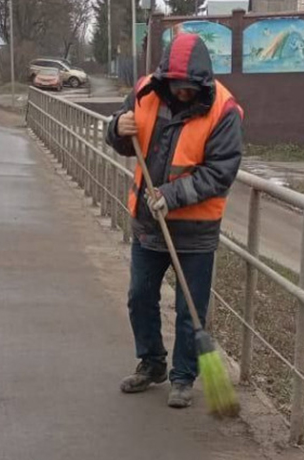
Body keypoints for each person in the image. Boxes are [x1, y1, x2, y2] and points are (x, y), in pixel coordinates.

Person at [106, 33, 243, 409]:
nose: (182, 94)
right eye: (176, 87)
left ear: (202, 83)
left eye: (189, 89)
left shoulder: (224, 111)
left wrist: (171, 194)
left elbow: (219, 173)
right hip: (149, 225)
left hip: (195, 232)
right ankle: (152, 363)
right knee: (139, 297)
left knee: (190, 310)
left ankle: (184, 377)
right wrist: (116, 128)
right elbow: (121, 137)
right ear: (165, 79)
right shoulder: (146, 92)